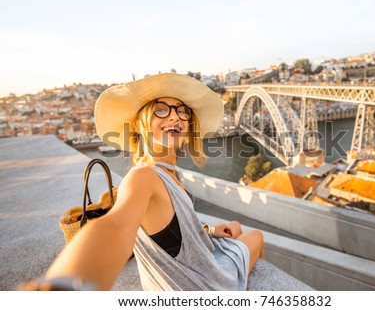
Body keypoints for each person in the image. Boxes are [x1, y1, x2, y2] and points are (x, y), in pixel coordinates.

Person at [39, 73, 265, 291]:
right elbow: (114, 229)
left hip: (178, 280)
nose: (175, 117)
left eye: (182, 112)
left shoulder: (166, 172)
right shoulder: (143, 177)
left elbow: (173, 233)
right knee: (256, 236)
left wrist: (211, 229)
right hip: (202, 286)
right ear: (138, 125)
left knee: (234, 227)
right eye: (161, 109)